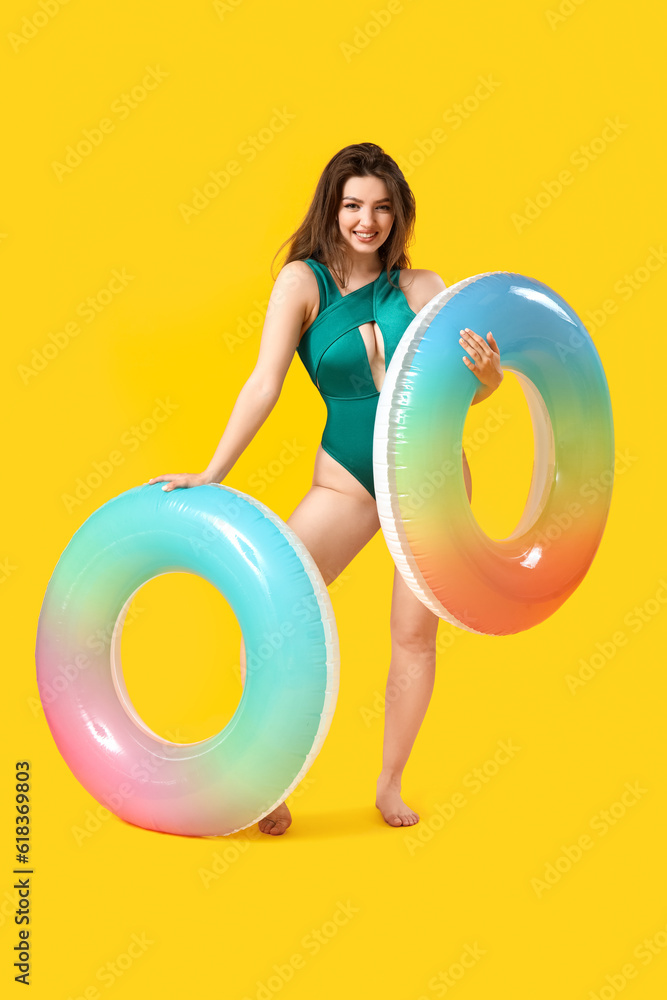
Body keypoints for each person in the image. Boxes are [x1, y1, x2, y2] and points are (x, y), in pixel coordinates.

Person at [148, 142, 503, 835]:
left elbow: (464, 390)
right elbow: (264, 384)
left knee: (413, 637)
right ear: (331, 209)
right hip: (347, 479)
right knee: (270, 609)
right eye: (351, 206)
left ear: (397, 215)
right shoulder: (300, 283)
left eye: (379, 208)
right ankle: (269, 776)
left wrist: (488, 378)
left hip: (429, 476)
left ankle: (390, 785)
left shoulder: (424, 288)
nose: (365, 221)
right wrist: (211, 472)